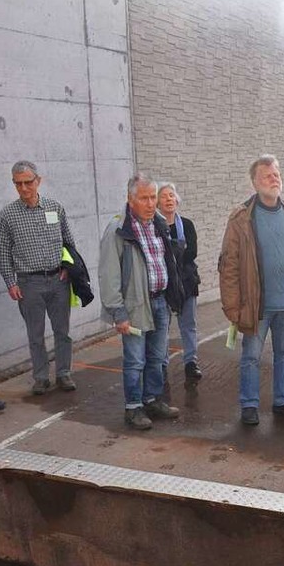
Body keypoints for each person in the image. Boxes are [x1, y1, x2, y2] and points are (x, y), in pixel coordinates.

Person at [218, 154, 284, 426]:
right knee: (251, 356)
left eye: (276, 175)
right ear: (255, 182)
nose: (274, 179)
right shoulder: (241, 219)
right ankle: (249, 404)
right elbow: (229, 267)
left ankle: (283, 400)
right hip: (256, 305)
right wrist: (232, 307)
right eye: (267, 176)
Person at [99, 174, 183, 430]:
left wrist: (173, 296)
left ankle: (152, 399)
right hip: (135, 306)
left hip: (160, 302)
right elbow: (109, 274)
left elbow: (167, 262)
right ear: (130, 199)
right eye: (144, 198)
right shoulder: (118, 230)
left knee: (157, 357)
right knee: (135, 360)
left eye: (152, 197)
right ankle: (133, 407)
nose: (150, 203)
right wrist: (118, 313)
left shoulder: (158, 223)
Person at [0, 160, 77, 395]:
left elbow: (69, 242)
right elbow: (3, 251)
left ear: (38, 181)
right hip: (28, 284)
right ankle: (41, 377)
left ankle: (64, 374)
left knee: (63, 331)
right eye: (18, 184)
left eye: (28, 182)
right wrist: (10, 282)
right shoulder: (8, 215)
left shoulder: (55, 208)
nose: (23, 188)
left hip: (58, 280)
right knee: (35, 334)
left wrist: (67, 268)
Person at [156, 183, 202, 385]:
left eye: (171, 195)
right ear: (158, 202)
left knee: (188, 324)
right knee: (163, 325)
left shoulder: (187, 224)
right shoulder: (154, 226)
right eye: (164, 196)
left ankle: (191, 362)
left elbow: (192, 252)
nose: (168, 199)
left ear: (177, 200)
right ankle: (162, 363)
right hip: (164, 282)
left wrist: (172, 258)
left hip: (186, 281)